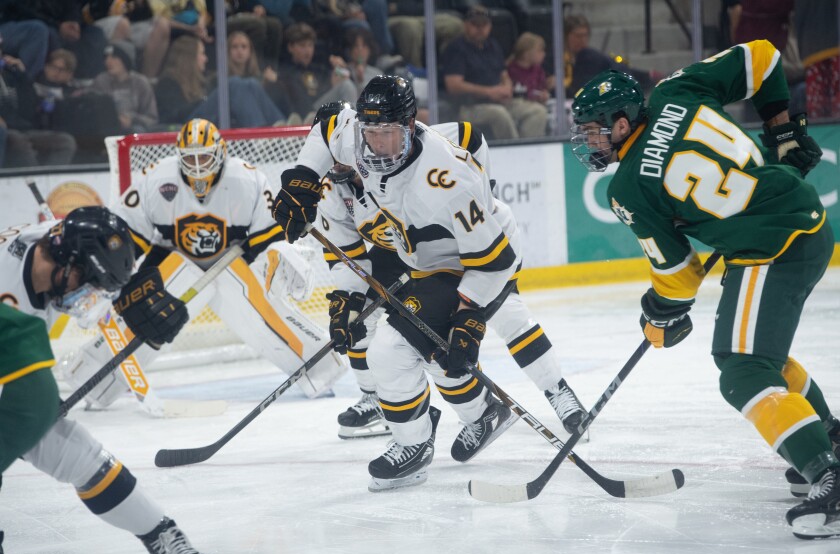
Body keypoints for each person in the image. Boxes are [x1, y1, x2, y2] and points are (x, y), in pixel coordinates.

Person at [568, 40, 836, 539]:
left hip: (772, 246)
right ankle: (831, 441)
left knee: (742, 370)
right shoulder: (676, 90)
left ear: (622, 124)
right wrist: (780, 129)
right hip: (797, 220)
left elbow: (679, 274)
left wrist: (659, 314)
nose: (589, 143)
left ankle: (828, 473)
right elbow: (763, 57)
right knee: (759, 358)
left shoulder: (627, 187)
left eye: (594, 131)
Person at [273, 77, 585, 490]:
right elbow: (328, 129)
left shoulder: (448, 178)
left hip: (480, 254)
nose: (376, 146)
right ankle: (473, 418)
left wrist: (469, 315)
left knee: (486, 320)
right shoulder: (358, 141)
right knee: (427, 348)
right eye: (371, 134)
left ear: (410, 126)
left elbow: (494, 262)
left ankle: (552, 393)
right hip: (425, 262)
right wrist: (301, 179)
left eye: (388, 135)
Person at [64, 118, 344, 409]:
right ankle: (93, 379)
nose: (197, 166)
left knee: (254, 298)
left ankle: (319, 370)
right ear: (178, 156)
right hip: (174, 268)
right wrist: (108, 284)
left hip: (231, 266)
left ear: (221, 153)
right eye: (190, 158)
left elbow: (272, 235)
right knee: (148, 309)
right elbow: (126, 239)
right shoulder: (156, 179)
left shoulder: (247, 180)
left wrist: (284, 253)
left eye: (204, 156)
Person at [0, 207, 210, 554]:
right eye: (91, 285)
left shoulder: (56, 246)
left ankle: (163, 537)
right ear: (66, 264)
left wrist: (135, 297)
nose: (90, 297)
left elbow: (100, 243)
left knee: (75, 450)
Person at [442, 5, 547, 140]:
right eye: (475, 24)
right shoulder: (456, 49)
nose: (480, 29)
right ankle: (514, 152)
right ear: (466, 24)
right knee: (499, 114)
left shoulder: (493, 46)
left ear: (490, 26)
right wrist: (489, 92)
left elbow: (504, 74)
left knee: (537, 111)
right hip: (469, 106)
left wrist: (507, 87)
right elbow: (453, 85)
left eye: (484, 24)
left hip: (499, 101)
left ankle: (530, 153)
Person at [155, 35, 285, 127]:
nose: (205, 59)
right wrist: (203, 101)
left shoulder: (199, 82)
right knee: (233, 84)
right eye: (201, 53)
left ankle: (281, 127)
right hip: (188, 131)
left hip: (204, 126)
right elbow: (171, 118)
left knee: (251, 83)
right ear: (188, 57)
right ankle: (258, 133)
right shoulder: (168, 82)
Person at [563, 14, 661, 99]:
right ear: (566, 36)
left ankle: (649, 76)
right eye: (578, 36)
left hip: (623, 86)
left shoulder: (588, 56)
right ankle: (649, 76)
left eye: (585, 35)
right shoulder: (562, 57)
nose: (583, 40)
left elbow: (579, 87)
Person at [275, 23, 357, 122]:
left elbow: (350, 85)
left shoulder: (319, 69)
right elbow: (299, 102)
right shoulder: (286, 72)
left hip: (322, 112)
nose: (307, 51)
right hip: (304, 115)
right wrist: (330, 86)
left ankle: (351, 124)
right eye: (302, 46)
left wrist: (345, 69)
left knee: (346, 85)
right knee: (346, 86)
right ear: (290, 47)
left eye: (310, 45)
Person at [92, 43, 159, 132]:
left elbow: (151, 118)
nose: (108, 61)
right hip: (108, 129)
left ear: (125, 60)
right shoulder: (101, 82)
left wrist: (132, 120)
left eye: (114, 57)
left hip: (136, 129)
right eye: (106, 58)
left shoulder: (140, 83)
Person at [506, 32, 553, 104]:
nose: (544, 54)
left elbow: (542, 88)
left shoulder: (538, 70)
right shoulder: (511, 71)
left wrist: (544, 93)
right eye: (540, 51)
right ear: (526, 53)